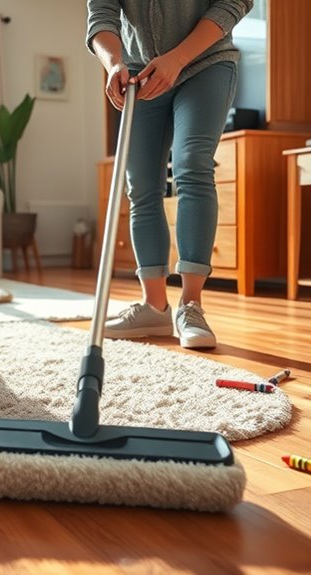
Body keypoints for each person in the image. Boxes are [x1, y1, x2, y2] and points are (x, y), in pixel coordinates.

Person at [86, 0, 252, 349]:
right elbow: (101, 14)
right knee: (142, 185)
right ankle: (154, 307)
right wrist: (114, 63)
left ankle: (191, 306)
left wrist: (176, 59)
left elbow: (234, 2)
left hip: (206, 62)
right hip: (140, 71)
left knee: (191, 165)